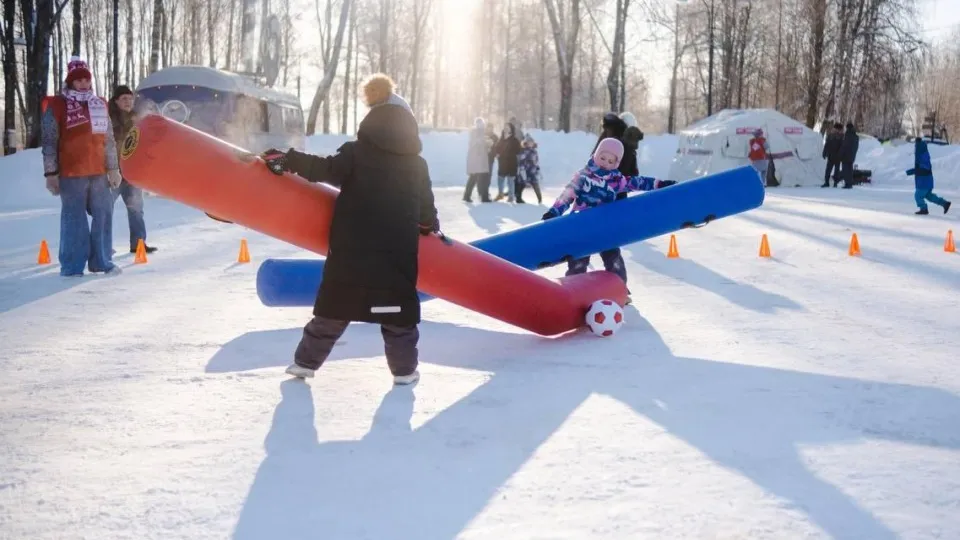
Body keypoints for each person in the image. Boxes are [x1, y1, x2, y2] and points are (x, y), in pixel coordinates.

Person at [261, 74, 439, 385]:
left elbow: (323, 169)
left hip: (352, 250)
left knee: (334, 309)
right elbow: (425, 211)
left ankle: (304, 364)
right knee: (398, 316)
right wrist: (428, 226)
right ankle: (404, 372)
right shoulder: (417, 165)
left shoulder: (356, 153)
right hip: (396, 254)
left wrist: (287, 160)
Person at [542, 138, 675, 303]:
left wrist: (660, 184)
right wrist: (554, 212)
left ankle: (620, 290)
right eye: (602, 158)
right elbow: (567, 195)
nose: (605, 163)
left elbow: (639, 182)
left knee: (614, 260)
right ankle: (572, 292)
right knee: (577, 261)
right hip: (581, 227)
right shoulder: (582, 176)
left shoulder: (617, 181)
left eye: (611, 161)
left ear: (616, 163)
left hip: (605, 228)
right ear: (596, 155)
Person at [41, 56, 122, 277]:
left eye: (86, 80)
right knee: (74, 219)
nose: (83, 84)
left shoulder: (100, 103)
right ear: (70, 82)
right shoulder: (58, 105)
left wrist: (114, 168)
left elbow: (109, 138)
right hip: (71, 172)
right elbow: (49, 140)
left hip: (98, 172)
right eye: (78, 81)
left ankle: (101, 261)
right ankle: (72, 266)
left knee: (103, 214)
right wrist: (51, 172)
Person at [109, 84, 156, 254]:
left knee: (136, 209)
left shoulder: (138, 119)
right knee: (106, 210)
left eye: (130, 98)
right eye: (124, 99)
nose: (128, 102)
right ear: (116, 101)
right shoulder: (109, 118)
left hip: (133, 173)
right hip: (113, 173)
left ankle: (139, 244)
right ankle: (103, 246)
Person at [906, 137, 951, 215]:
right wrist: (914, 171)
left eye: (915, 145)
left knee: (918, 196)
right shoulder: (921, 153)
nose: (915, 146)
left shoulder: (922, 154)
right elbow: (921, 168)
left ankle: (924, 209)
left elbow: (925, 168)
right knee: (929, 196)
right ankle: (945, 203)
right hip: (925, 181)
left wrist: (913, 171)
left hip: (924, 181)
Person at [464, 117, 491, 202]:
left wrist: (488, 144)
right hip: (476, 159)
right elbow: (473, 143)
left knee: (478, 177)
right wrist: (482, 141)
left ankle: (481, 196)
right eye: (479, 124)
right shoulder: (474, 133)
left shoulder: (482, 133)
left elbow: (484, 145)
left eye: (482, 124)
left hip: (480, 159)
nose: (481, 126)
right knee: (476, 177)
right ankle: (480, 196)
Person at [492, 123, 522, 202]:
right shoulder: (501, 139)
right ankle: (500, 194)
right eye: (505, 127)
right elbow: (496, 148)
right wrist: (497, 154)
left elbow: (518, 150)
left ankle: (511, 196)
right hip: (502, 163)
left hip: (511, 163)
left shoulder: (515, 140)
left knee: (510, 181)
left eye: (508, 127)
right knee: (500, 179)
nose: (506, 129)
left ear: (511, 129)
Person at [515, 133, 542, 204]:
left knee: (535, 184)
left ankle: (540, 199)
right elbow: (521, 161)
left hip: (533, 171)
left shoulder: (534, 151)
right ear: (526, 143)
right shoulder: (524, 151)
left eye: (531, 142)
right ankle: (518, 197)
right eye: (529, 142)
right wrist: (522, 170)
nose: (530, 144)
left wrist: (538, 169)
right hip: (525, 171)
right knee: (522, 184)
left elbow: (536, 161)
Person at [822, 122, 843, 187]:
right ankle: (826, 182)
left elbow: (842, 147)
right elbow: (826, 145)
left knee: (836, 171)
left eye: (836, 129)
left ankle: (835, 183)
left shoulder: (842, 137)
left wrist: (840, 155)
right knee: (828, 170)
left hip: (837, 157)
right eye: (834, 129)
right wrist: (824, 153)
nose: (834, 130)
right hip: (830, 156)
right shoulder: (830, 135)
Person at [839, 122, 859, 189]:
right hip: (852, 156)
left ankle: (847, 183)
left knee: (845, 170)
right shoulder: (856, 136)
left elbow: (844, 146)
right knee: (850, 170)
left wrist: (840, 154)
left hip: (846, 156)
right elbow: (856, 147)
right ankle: (850, 183)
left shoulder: (848, 135)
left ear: (847, 128)